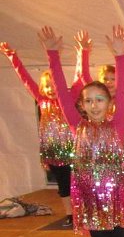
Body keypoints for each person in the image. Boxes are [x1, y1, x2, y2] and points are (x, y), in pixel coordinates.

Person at [39, 25, 124, 237]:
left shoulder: (118, 125)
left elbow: (123, 92)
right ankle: (108, 235)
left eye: (100, 100)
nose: (94, 105)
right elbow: (61, 93)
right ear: (82, 105)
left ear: (109, 103)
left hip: (117, 199)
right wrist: (52, 55)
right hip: (92, 202)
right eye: (89, 101)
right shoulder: (77, 126)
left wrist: (120, 55)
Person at [1, 33, 91, 227]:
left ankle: (84, 211)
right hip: (53, 152)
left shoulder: (69, 98)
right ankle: (70, 214)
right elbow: (25, 78)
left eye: (53, 86)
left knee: (80, 182)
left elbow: (80, 76)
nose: (50, 90)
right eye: (46, 87)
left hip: (74, 150)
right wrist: (13, 57)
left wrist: (82, 53)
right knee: (63, 185)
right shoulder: (41, 100)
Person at [93, 58, 124, 202]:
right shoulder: (96, 102)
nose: (109, 82)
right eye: (105, 79)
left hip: (122, 144)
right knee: (106, 181)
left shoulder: (122, 97)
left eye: (113, 79)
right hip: (103, 147)